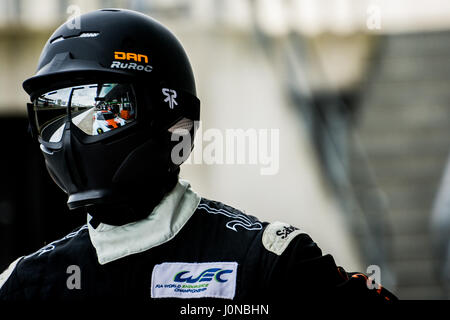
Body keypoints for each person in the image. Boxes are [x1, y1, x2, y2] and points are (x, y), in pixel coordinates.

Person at [0, 9, 396, 305]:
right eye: (52, 112)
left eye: (100, 108)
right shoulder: (27, 282)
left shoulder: (265, 263)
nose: (69, 134)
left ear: (170, 118)